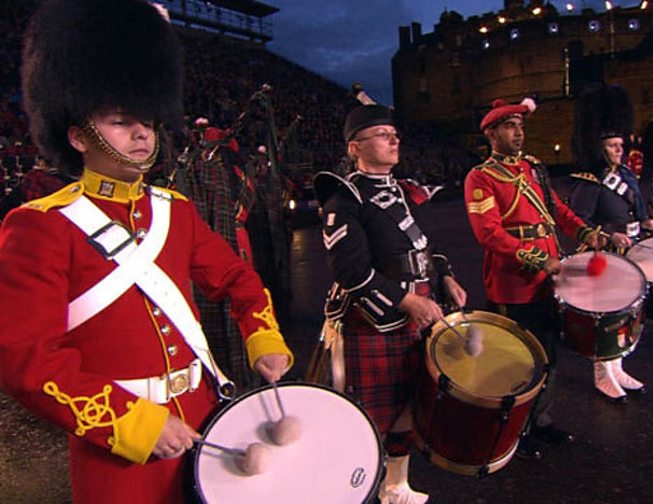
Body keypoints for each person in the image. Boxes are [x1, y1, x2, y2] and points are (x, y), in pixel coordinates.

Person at [0, 2, 293, 503]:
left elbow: (238, 280)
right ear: (77, 136)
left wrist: (262, 337)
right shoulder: (39, 226)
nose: (142, 133)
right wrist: (129, 421)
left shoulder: (174, 212)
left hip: (204, 418)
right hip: (116, 443)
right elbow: (24, 359)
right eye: (119, 122)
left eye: (148, 123)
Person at [313, 103, 467, 504]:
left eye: (394, 133)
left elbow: (421, 245)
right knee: (365, 417)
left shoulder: (400, 191)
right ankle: (351, 490)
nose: (394, 139)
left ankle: (395, 487)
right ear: (355, 147)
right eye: (382, 134)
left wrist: (445, 274)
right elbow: (351, 272)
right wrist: (405, 301)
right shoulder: (343, 199)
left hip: (414, 312)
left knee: (407, 407)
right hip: (372, 319)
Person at [464, 98, 601, 459]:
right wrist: (541, 259)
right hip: (514, 283)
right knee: (518, 363)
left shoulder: (533, 168)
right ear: (491, 133)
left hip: (547, 279)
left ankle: (539, 420)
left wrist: (586, 233)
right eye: (510, 126)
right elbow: (489, 234)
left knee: (549, 356)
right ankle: (513, 433)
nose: (518, 132)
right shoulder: (481, 177)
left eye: (520, 126)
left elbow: (558, 212)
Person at [568, 85, 653, 401]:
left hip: (630, 250)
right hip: (606, 254)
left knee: (627, 313)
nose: (620, 150)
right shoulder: (589, 181)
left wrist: (647, 222)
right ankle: (602, 373)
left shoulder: (627, 175)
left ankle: (617, 366)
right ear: (599, 147)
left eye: (621, 144)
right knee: (607, 317)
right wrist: (607, 235)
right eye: (613, 145)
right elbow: (577, 221)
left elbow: (636, 205)